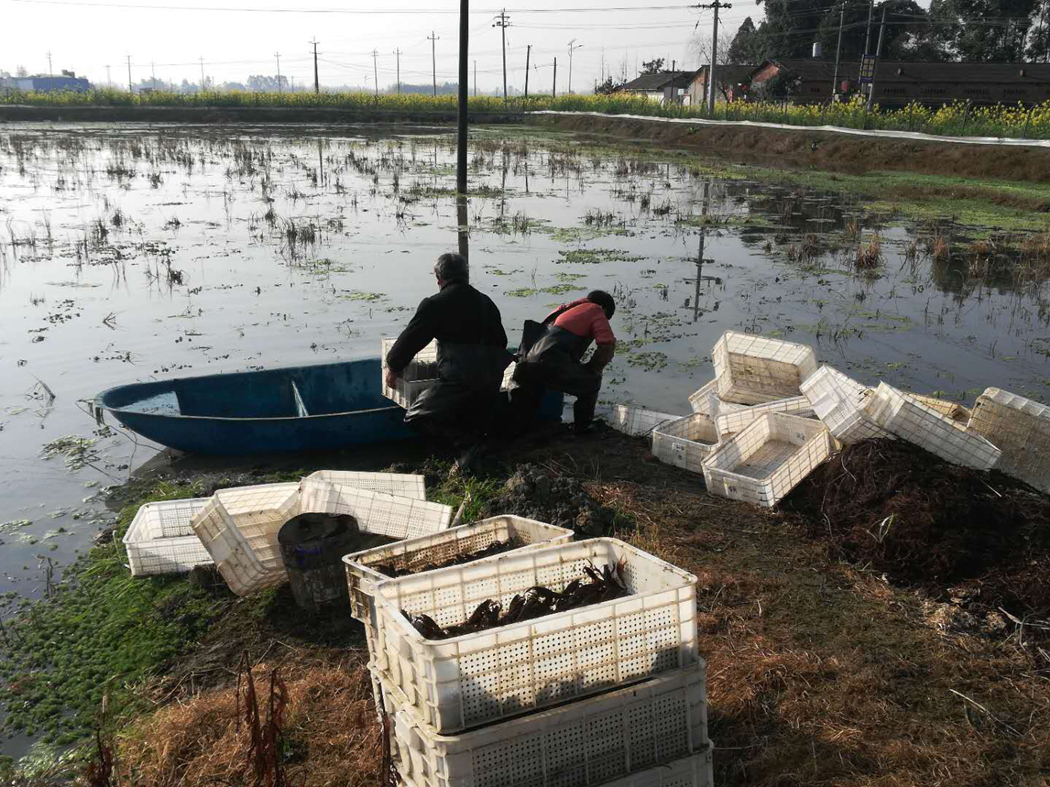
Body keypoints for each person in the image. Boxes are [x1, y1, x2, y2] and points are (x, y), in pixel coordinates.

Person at [384, 252, 511, 465]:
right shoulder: (485, 302)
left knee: (417, 416)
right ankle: (475, 440)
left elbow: (410, 340)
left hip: (461, 381)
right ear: (466, 275)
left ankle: (468, 447)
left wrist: (393, 367)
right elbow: (502, 341)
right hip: (492, 379)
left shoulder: (435, 304)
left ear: (439, 280)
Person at [510, 290, 616, 434]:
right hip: (550, 364)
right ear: (604, 309)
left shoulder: (564, 309)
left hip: (528, 364)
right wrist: (592, 369)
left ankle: (520, 431)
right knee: (592, 382)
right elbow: (607, 346)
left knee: (527, 402)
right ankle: (582, 429)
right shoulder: (596, 310)